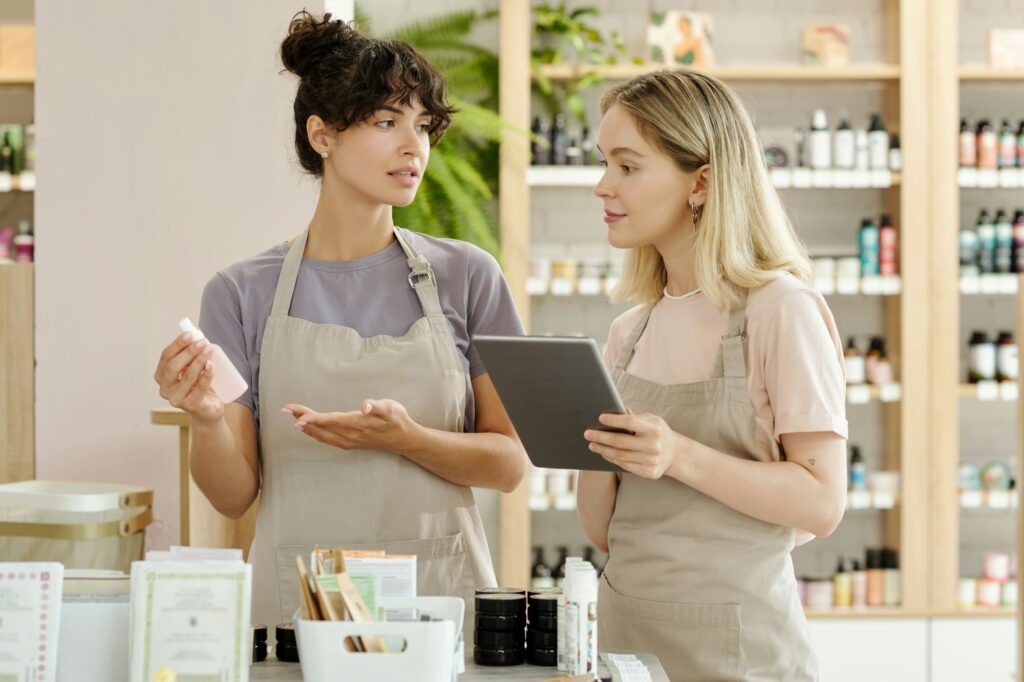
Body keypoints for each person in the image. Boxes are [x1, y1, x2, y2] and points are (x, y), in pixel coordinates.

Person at [153, 11, 527, 628]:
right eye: (387, 122)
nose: (415, 148)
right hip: (298, 607)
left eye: (424, 127)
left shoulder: (468, 275)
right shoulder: (241, 292)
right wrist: (205, 416)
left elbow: (510, 464)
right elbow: (232, 493)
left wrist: (408, 441)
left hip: (438, 605)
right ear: (322, 135)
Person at [576, 69, 848, 681]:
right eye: (603, 164)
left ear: (700, 182)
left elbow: (822, 503)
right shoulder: (628, 334)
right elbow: (603, 532)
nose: (602, 186)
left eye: (626, 166)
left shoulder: (781, 309)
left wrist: (676, 455)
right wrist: (580, 438)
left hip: (742, 653)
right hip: (627, 645)